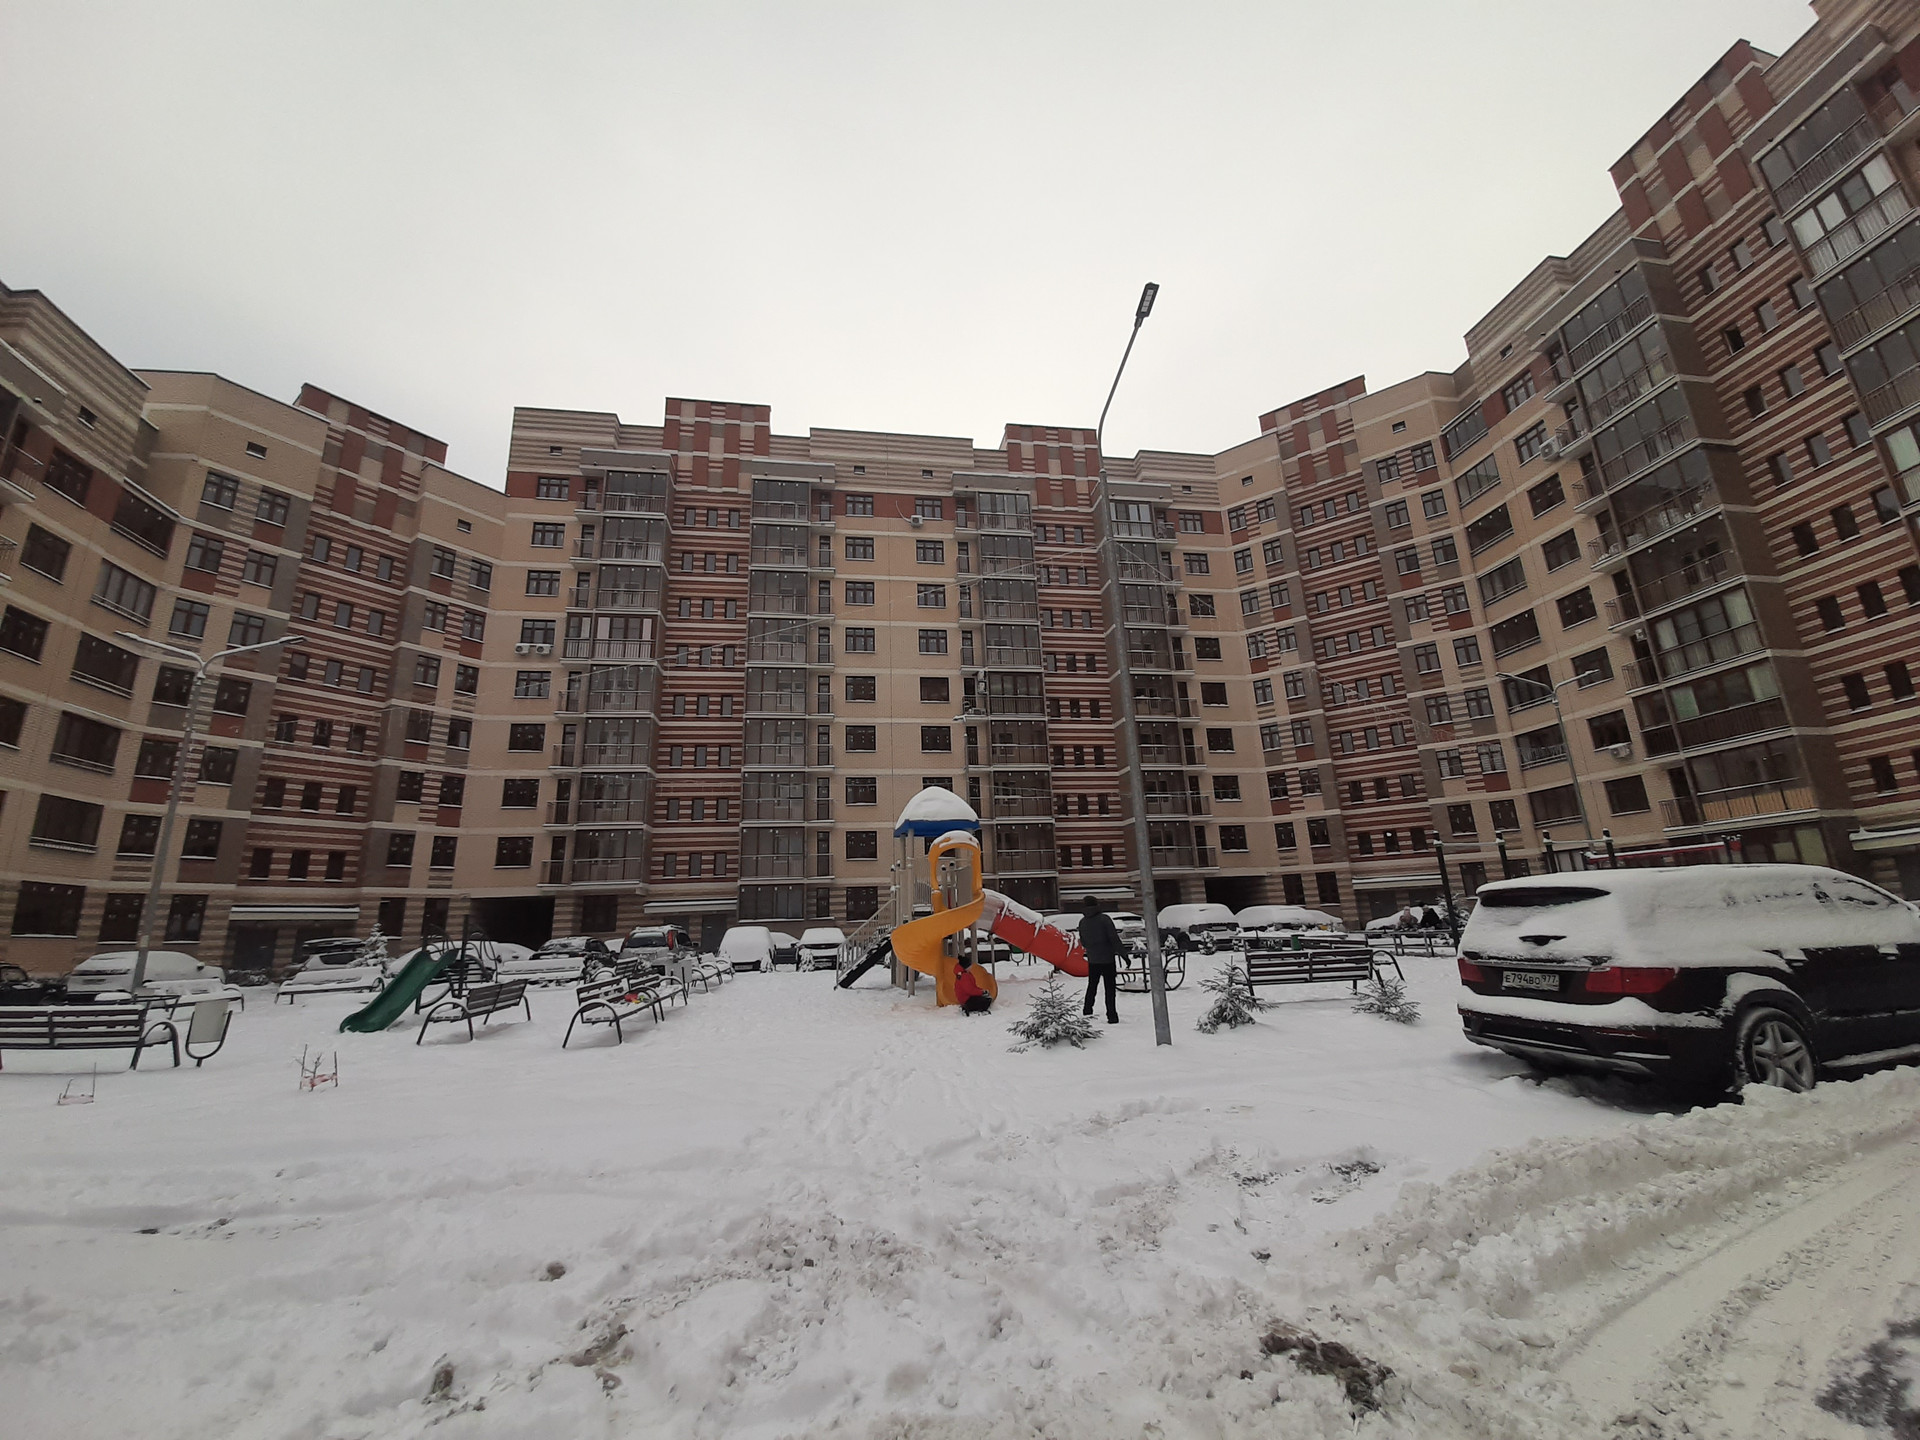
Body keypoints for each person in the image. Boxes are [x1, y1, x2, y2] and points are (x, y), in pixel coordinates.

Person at [1077, 896, 1121, 1024]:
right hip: (1108, 958)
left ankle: (1087, 1010)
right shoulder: (1104, 919)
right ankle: (1112, 1015)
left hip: (1093, 959)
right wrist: (1123, 954)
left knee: (1092, 985)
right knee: (1110, 988)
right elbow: (1114, 938)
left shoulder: (1083, 922)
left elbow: (1083, 941)